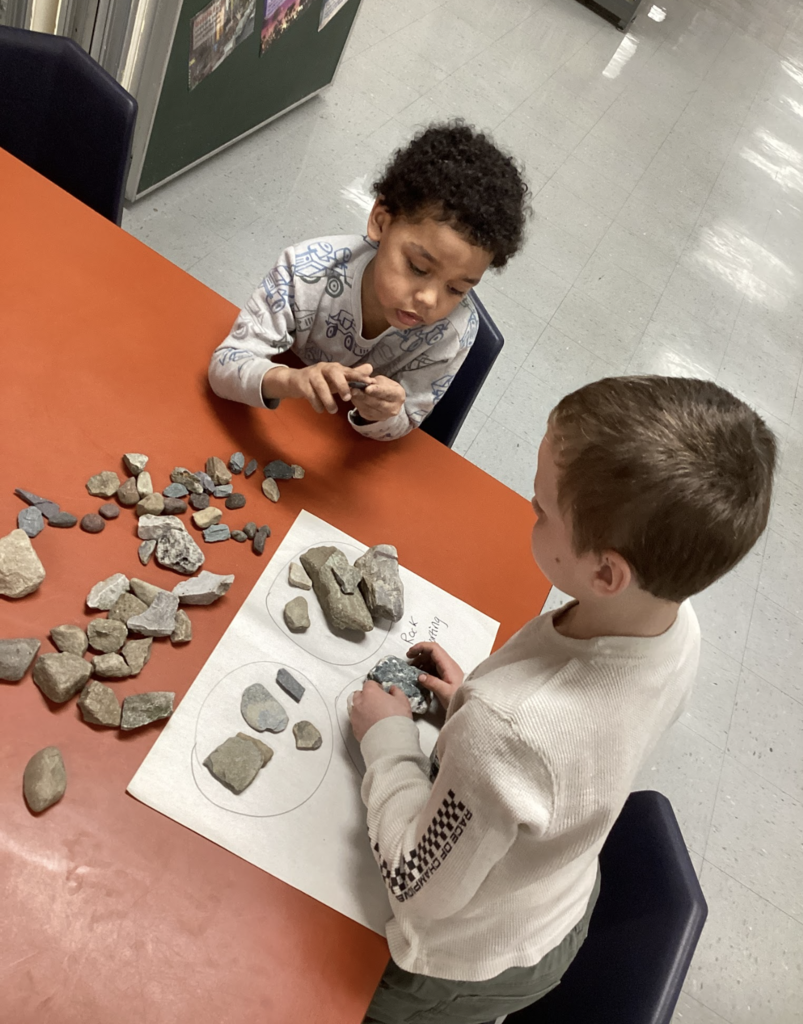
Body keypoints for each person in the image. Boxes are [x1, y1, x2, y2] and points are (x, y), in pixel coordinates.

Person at [349, 376, 776, 1024]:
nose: (530, 506)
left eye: (541, 508)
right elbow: (570, 745)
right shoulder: (673, 626)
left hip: (447, 968)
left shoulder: (509, 734)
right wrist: (472, 702)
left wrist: (387, 742)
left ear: (606, 573)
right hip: (556, 904)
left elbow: (416, 886)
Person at [208, 121, 529, 440]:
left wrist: (383, 414)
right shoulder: (305, 272)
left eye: (457, 289)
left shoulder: (452, 334)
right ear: (380, 221)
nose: (430, 300)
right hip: (275, 416)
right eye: (418, 268)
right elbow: (225, 366)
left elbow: (406, 420)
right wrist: (291, 381)